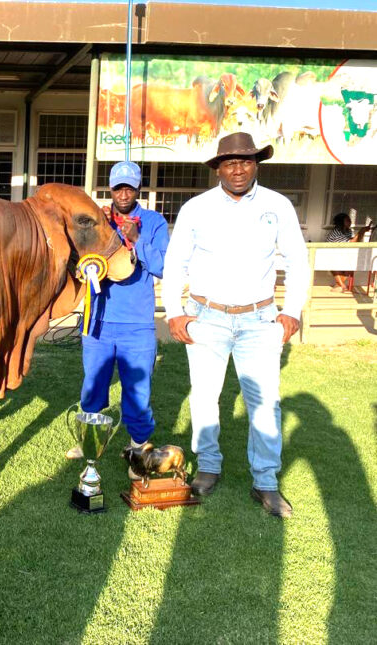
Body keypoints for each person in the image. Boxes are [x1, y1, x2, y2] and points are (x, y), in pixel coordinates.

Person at [162, 132, 309, 518]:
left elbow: (297, 260)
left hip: (260, 320)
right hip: (206, 316)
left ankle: (265, 483)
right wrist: (173, 311)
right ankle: (208, 466)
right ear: (218, 169)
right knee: (206, 396)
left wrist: (292, 309)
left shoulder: (279, 206)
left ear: (256, 164)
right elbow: (175, 262)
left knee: (264, 403)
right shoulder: (196, 208)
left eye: (245, 161)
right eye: (230, 163)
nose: (238, 169)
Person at [69, 161, 169, 476]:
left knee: (137, 391)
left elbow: (163, 267)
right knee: (93, 386)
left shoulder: (153, 222)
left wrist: (138, 238)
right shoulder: (96, 220)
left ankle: (138, 449)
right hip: (97, 320)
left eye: (129, 187)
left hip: (137, 323)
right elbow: (77, 260)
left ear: (138, 188)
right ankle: (89, 442)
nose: (123, 194)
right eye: (118, 187)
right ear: (110, 188)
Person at [324, 212, 373, 292]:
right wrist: (361, 231)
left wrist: (362, 232)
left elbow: (354, 242)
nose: (350, 222)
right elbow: (350, 243)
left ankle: (339, 285)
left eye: (349, 220)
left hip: (342, 254)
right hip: (330, 255)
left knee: (351, 265)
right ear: (341, 222)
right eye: (347, 220)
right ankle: (341, 285)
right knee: (334, 262)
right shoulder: (336, 232)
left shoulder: (348, 231)